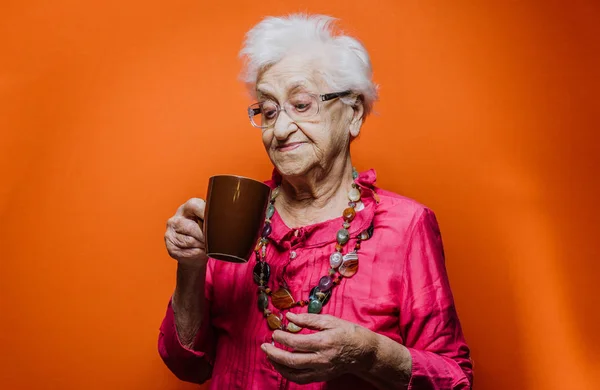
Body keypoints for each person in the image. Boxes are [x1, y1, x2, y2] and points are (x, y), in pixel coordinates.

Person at [158, 13, 472, 390]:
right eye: (269, 111)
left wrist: (370, 354)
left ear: (353, 113)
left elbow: (455, 380)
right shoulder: (236, 218)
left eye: (301, 105)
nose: (280, 129)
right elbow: (187, 365)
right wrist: (190, 268)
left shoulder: (406, 227)